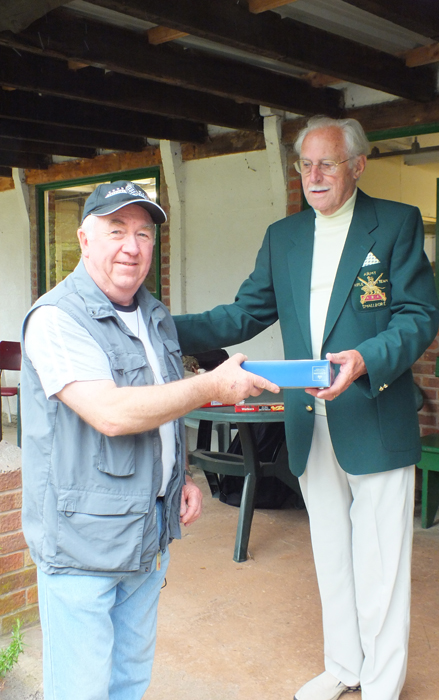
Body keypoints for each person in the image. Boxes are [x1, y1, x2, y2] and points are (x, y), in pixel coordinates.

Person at [174, 117, 439, 700]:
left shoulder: (394, 224)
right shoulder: (284, 236)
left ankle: (381, 682)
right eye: (305, 165)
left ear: (357, 166)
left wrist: (365, 359)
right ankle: (344, 666)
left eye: (327, 163)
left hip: (373, 412)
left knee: (382, 565)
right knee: (332, 556)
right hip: (308, 421)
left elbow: (418, 317)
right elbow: (242, 315)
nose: (313, 176)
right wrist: (163, 327)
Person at [20, 180, 279, 700]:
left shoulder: (154, 314)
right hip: (82, 548)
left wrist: (176, 477)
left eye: (143, 233)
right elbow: (112, 413)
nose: (132, 247)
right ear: (84, 239)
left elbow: (159, 407)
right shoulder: (56, 319)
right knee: (82, 691)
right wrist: (211, 385)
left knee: (129, 684)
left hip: (146, 535)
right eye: (116, 230)